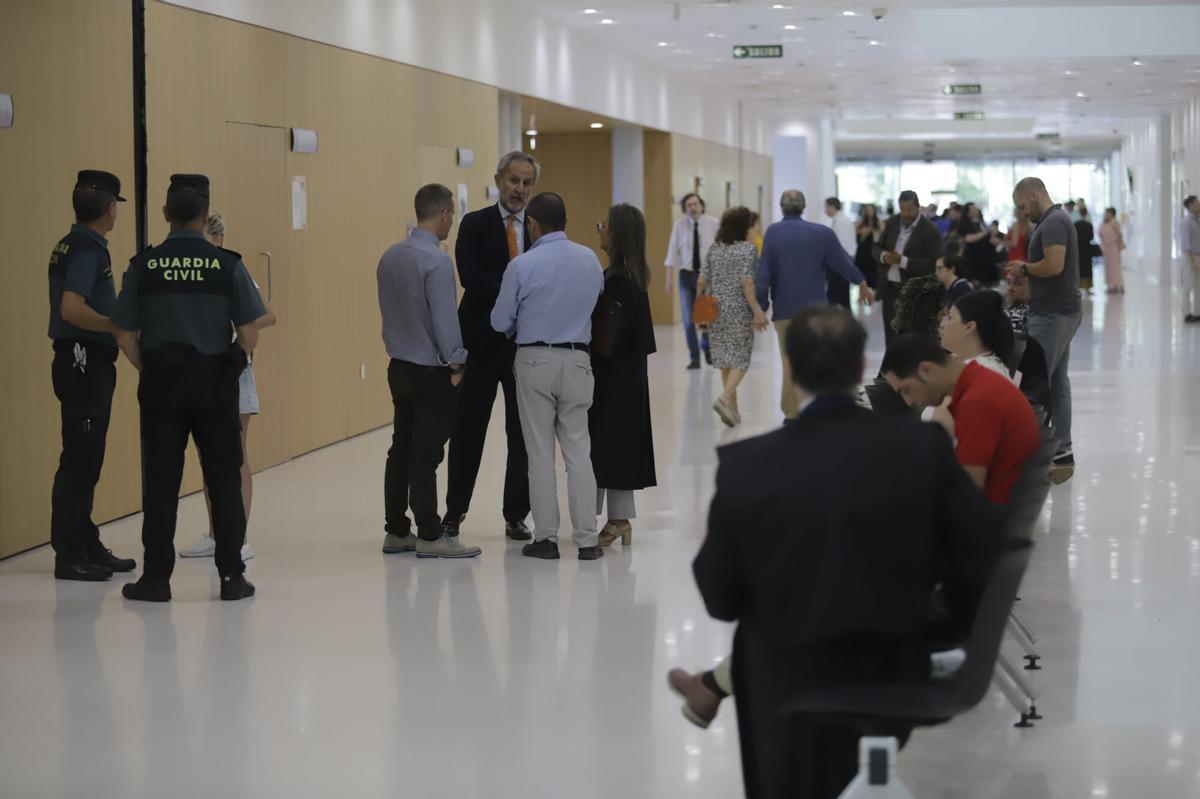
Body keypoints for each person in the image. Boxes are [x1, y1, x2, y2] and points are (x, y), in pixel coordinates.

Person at [688, 306, 1001, 798]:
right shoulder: (923, 447)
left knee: (758, 635)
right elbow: (980, 549)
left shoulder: (748, 466)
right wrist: (939, 630)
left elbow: (719, 596)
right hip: (893, 670)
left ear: (791, 370)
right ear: (860, 368)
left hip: (786, 684)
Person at [112, 174, 264, 602]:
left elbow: (123, 334)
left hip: (161, 382)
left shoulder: (144, 266)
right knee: (223, 478)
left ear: (166, 214)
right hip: (214, 383)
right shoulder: (227, 265)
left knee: (161, 482)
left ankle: (156, 580)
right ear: (205, 213)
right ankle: (232, 577)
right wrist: (229, 364)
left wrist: (150, 367)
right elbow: (249, 333)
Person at [490, 192, 605, 561]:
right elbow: (595, 302)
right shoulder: (590, 260)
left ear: (533, 224)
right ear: (565, 220)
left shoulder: (522, 265)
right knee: (579, 451)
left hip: (535, 360)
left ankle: (546, 539)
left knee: (539, 453)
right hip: (578, 360)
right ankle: (587, 540)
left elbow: (499, 321)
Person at [376, 184, 478, 559]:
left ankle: (396, 530)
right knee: (426, 453)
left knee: (400, 449)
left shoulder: (390, 256)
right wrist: (457, 363)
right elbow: (445, 321)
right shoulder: (436, 262)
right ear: (445, 213)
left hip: (399, 368)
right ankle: (430, 535)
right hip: (431, 371)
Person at [46, 170, 136, 581]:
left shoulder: (72, 242)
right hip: (83, 361)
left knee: (87, 457)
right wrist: (113, 326)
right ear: (110, 208)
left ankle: (86, 541)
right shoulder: (86, 248)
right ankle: (69, 554)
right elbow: (71, 308)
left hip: (83, 361)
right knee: (80, 459)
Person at [442, 152, 536, 542]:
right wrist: (519, 291)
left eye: (527, 183)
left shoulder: (537, 228)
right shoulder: (475, 223)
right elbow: (472, 278)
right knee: (468, 431)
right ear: (498, 180)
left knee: (522, 433)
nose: (519, 189)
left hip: (524, 347)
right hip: (480, 344)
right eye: (513, 180)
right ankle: (454, 512)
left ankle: (516, 514)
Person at [179, 211, 275, 562]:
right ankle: (215, 533)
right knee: (208, 457)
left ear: (218, 239)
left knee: (236, 456)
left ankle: (240, 536)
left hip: (235, 373)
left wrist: (234, 324)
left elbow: (267, 314)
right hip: (204, 373)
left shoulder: (233, 269)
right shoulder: (195, 272)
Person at [882, 333, 1040, 505]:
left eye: (906, 390)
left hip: (990, 513)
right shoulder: (979, 382)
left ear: (926, 370)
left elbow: (968, 495)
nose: (909, 402)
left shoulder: (977, 401)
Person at [758, 190, 874, 419]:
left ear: (782, 208)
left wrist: (760, 307)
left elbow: (763, 276)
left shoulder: (773, 233)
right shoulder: (822, 233)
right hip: (817, 315)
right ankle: (823, 410)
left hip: (785, 312)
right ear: (804, 207)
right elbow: (844, 263)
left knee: (790, 362)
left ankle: (792, 415)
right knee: (821, 360)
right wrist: (861, 282)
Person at [1006, 177, 1082, 484]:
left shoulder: (1053, 223)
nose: (1022, 212)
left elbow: (1054, 266)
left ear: (1035, 196)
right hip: (1058, 310)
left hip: (1052, 314)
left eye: (1022, 205)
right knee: (1057, 381)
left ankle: (1031, 455)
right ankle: (1062, 450)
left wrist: (1024, 267)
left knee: (1035, 384)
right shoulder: (1053, 221)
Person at [590, 204, 657, 548]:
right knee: (619, 444)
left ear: (616, 233)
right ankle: (619, 518)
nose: (600, 230)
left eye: (603, 225)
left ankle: (617, 520)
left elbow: (608, 335)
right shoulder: (634, 274)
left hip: (613, 374)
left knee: (609, 445)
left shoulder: (616, 279)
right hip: (628, 373)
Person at [698, 207, 769, 427]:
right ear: (744, 226)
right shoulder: (748, 250)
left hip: (715, 309)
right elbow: (747, 283)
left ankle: (733, 411)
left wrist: (700, 311)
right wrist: (757, 310)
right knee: (741, 358)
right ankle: (724, 399)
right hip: (738, 309)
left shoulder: (714, 249)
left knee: (725, 360)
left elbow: (701, 282)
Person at [875, 189, 943, 345]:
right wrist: (884, 256)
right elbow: (876, 247)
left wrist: (903, 261)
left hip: (913, 292)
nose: (905, 214)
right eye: (902, 209)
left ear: (918, 207)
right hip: (889, 289)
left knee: (910, 338)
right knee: (890, 337)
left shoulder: (929, 230)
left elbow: (935, 262)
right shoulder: (892, 222)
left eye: (909, 210)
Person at [664, 193, 718, 369]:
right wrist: (668, 279)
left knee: (706, 316)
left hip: (707, 276)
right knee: (688, 320)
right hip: (686, 277)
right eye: (689, 205)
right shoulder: (679, 226)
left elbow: (720, 250)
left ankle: (707, 348)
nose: (692, 208)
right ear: (685, 208)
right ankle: (695, 357)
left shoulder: (713, 223)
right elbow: (672, 253)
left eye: (695, 204)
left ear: (701, 205)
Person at [939, 290, 1014, 376]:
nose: (942, 324)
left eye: (949, 317)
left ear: (969, 327)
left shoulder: (978, 372)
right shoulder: (985, 365)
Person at [824, 197, 857, 309]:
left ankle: (838, 318)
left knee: (838, 296)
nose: (825, 210)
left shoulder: (841, 222)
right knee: (840, 296)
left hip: (841, 263)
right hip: (843, 262)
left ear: (832, 206)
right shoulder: (839, 220)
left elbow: (841, 245)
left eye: (826, 207)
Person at [957, 202, 999, 286]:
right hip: (973, 257)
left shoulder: (981, 222)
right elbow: (970, 239)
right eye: (973, 209)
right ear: (967, 212)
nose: (976, 211)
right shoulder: (965, 224)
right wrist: (986, 232)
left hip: (986, 256)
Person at [854, 204, 884, 288]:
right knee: (862, 273)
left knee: (873, 274)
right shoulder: (861, 221)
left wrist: (874, 231)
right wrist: (862, 231)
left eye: (871, 210)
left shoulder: (878, 222)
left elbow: (883, 233)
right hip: (863, 250)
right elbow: (855, 230)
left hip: (873, 250)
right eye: (867, 210)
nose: (869, 212)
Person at [1099, 207, 1126, 294]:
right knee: (1108, 267)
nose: (1106, 215)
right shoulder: (1104, 223)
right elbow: (1101, 233)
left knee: (1115, 267)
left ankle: (1118, 285)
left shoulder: (1114, 222)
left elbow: (1119, 234)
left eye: (1108, 214)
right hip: (1106, 248)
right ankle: (1111, 285)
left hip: (1114, 248)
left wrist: (1120, 245)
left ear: (1112, 214)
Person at [1182, 196, 1200, 322]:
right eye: (1197, 203)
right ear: (1190, 206)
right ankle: (1187, 313)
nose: (1199, 204)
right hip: (1190, 257)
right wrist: (1193, 261)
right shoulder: (1186, 222)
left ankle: (1198, 313)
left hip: (1199, 255)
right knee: (1188, 285)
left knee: (1198, 286)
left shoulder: (1198, 220)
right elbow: (1186, 244)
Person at [1075, 208, 1097, 292]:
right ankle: (1088, 288)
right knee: (1087, 268)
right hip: (1087, 249)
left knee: (1079, 267)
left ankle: (1078, 286)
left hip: (1078, 249)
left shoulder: (1076, 224)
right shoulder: (1089, 225)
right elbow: (1091, 237)